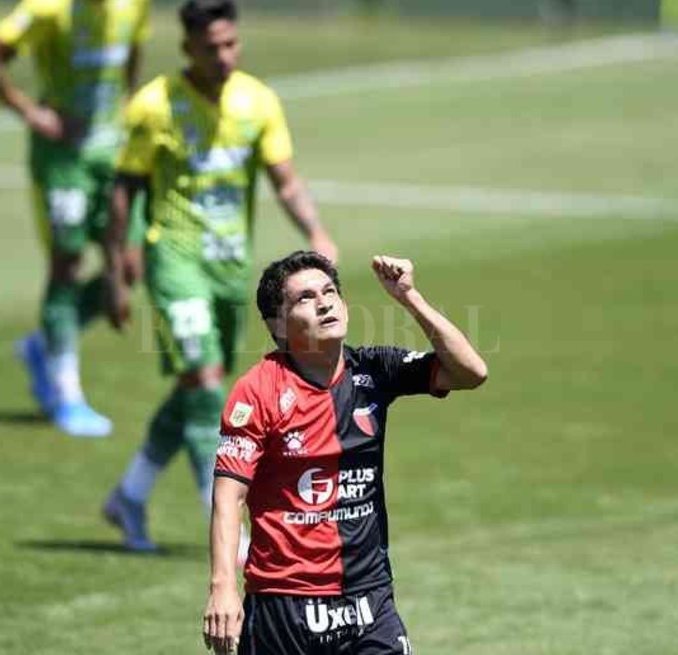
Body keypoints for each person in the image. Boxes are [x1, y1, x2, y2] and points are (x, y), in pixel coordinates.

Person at [99, 0, 338, 552]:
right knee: (207, 386)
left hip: (231, 271)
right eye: (212, 48)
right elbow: (123, 190)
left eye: (232, 44)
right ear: (188, 49)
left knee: (195, 387)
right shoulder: (153, 106)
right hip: (174, 262)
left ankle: (130, 496)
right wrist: (116, 272)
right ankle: (226, 530)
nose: (225, 56)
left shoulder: (258, 101)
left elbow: (285, 180)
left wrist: (317, 233)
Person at [203, 251, 489, 654]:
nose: (324, 303)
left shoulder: (374, 370)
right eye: (305, 298)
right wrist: (223, 588)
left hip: (369, 598)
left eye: (330, 291)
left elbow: (470, 372)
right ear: (277, 325)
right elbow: (228, 496)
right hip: (284, 607)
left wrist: (410, 298)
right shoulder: (259, 390)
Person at [0, 0, 151, 437]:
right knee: (66, 266)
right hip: (63, 161)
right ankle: (66, 395)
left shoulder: (133, 5)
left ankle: (43, 346)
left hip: (112, 153)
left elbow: (132, 50)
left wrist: (127, 104)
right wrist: (33, 114)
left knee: (131, 266)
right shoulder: (46, 9)